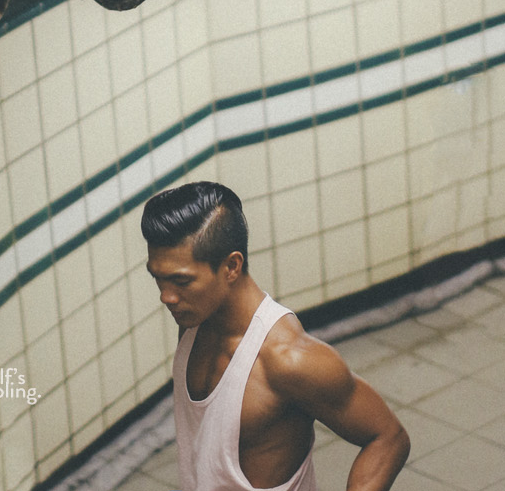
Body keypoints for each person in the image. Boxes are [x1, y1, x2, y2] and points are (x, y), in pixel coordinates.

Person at [141, 182, 410, 491]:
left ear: (231, 266)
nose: (166, 297)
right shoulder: (194, 320)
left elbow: (388, 438)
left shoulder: (288, 360)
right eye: (158, 278)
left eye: (180, 281)